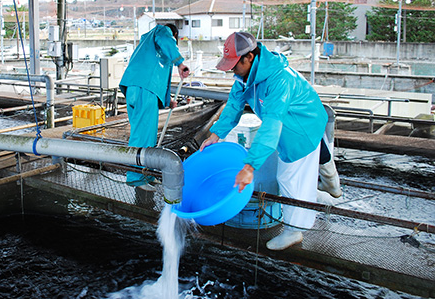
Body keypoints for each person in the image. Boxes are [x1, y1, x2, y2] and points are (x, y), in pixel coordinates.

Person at [199, 31, 341, 251]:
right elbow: (234, 106)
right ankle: (331, 183)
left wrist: (249, 167)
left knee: (290, 176)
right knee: (313, 163)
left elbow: (271, 126)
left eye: (234, 64)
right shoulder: (244, 78)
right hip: (298, 119)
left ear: (250, 57)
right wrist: (215, 135)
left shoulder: (279, 78)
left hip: (301, 125)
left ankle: (295, 231)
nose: (232, 70)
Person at [120, 24, 190, 187]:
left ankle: (147, 175)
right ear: (174, 35)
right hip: (145, 90)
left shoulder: (147, 43)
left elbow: (158, 77)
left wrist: (167, 102)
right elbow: (166, 40)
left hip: (133, 90)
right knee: (143, 136)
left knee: (143, 134)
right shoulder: (162, 32)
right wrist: (180, 63)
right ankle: (135, 178)